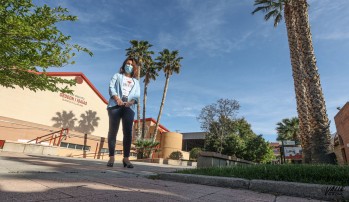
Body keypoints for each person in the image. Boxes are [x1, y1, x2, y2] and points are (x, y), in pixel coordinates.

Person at [106, 57, 140, 168]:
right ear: (124, 65)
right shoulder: (117, 76)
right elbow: (111, 87)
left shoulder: (136, 82)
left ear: (134, 68)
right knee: (113, 131)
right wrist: (117, 99)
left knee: (128, 133)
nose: (129, 66)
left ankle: (126, 158)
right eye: (127, 63)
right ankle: (111, 157)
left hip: (128, 108)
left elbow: (137, 95)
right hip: (115, 106)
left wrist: (131, 102)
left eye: (131, 64)